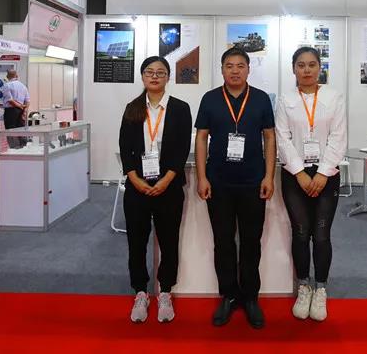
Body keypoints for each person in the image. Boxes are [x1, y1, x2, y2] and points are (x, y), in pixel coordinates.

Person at [195, 48, 276, 329]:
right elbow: (201, 138)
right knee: (224, 242)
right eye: (229, 65)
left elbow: (269, 137)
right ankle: (229, 295)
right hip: (218, 184)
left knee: (252, 242)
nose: (235, 71)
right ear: (222, 70)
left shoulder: (261, 99)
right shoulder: (210, 99)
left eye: (240, 65)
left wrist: (269, 176)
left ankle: (250, 297)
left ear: (248, 69)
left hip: (253, 183)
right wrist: (202, 177)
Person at [275, 47, 347, 321]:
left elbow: (338, 137)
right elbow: (282, 138)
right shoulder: (286, 100)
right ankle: (304, 286)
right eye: (301, 65)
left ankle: (321, 288)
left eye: (312, 65)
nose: (306, 70)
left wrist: (323, 173)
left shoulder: (333, 97)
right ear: (293, 69)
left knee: (322, 234)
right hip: (295, 176)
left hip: (326, 175)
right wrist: (300, 173)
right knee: (301, 232)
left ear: (320, 68)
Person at [119, 56, 192, 324]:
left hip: (168, 187)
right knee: (136, 242)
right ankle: (140, 292)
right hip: (137, 186)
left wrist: (167, 179)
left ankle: (165, 292)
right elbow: (125, 147)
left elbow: (182, 148)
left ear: (168, 77)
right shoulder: (132, 108)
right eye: (149, 72)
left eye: (160, 72)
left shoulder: (180, 108)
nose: (154, 76)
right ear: (142, 76)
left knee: (169, 241)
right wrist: (134, 179)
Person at [1, 69, 30, 148]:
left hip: (11, 111)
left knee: (10, 129)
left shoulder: (7, 85)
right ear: (16, 75)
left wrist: (19, 106)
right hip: (21, 110)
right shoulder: (23, 86)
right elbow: (27, 101)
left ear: (7, 76)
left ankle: (13, 148)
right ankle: (23, 146)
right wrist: (24, 111)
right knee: (21, 128)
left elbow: (10, 100)